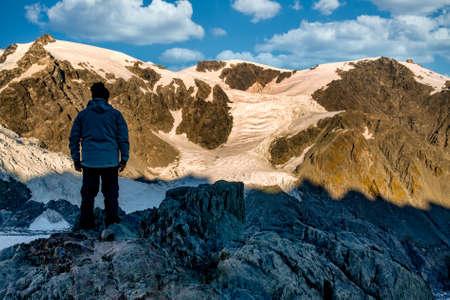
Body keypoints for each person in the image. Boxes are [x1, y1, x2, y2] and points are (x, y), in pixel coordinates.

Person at [69, 82, 129, 230]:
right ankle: (111, 225)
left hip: (90, 162)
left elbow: (74, 138)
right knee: (110, 194)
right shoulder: (115, 115)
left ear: (92, 96)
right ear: (107, 98)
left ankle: (86, 225)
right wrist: (124, 159)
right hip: (110, 162)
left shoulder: (83, 115)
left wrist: (76, 158)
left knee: (88, 194)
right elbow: (123, 138)